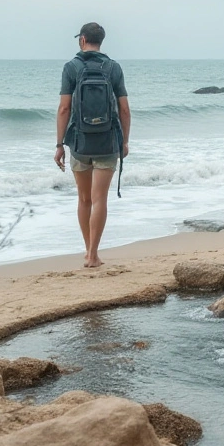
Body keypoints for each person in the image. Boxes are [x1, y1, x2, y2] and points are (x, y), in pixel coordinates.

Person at [54, 22, 131, 268]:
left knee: (84, 199)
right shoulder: (113, 68)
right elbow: (125, 110)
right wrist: (125, 141)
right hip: (108, 142)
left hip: (80, 143)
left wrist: (59, 144)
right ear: (101, 40)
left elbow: (64, 108)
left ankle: (88, 251)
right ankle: (93, 255)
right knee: (100, 200)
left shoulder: (72, 68)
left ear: (83, 39)